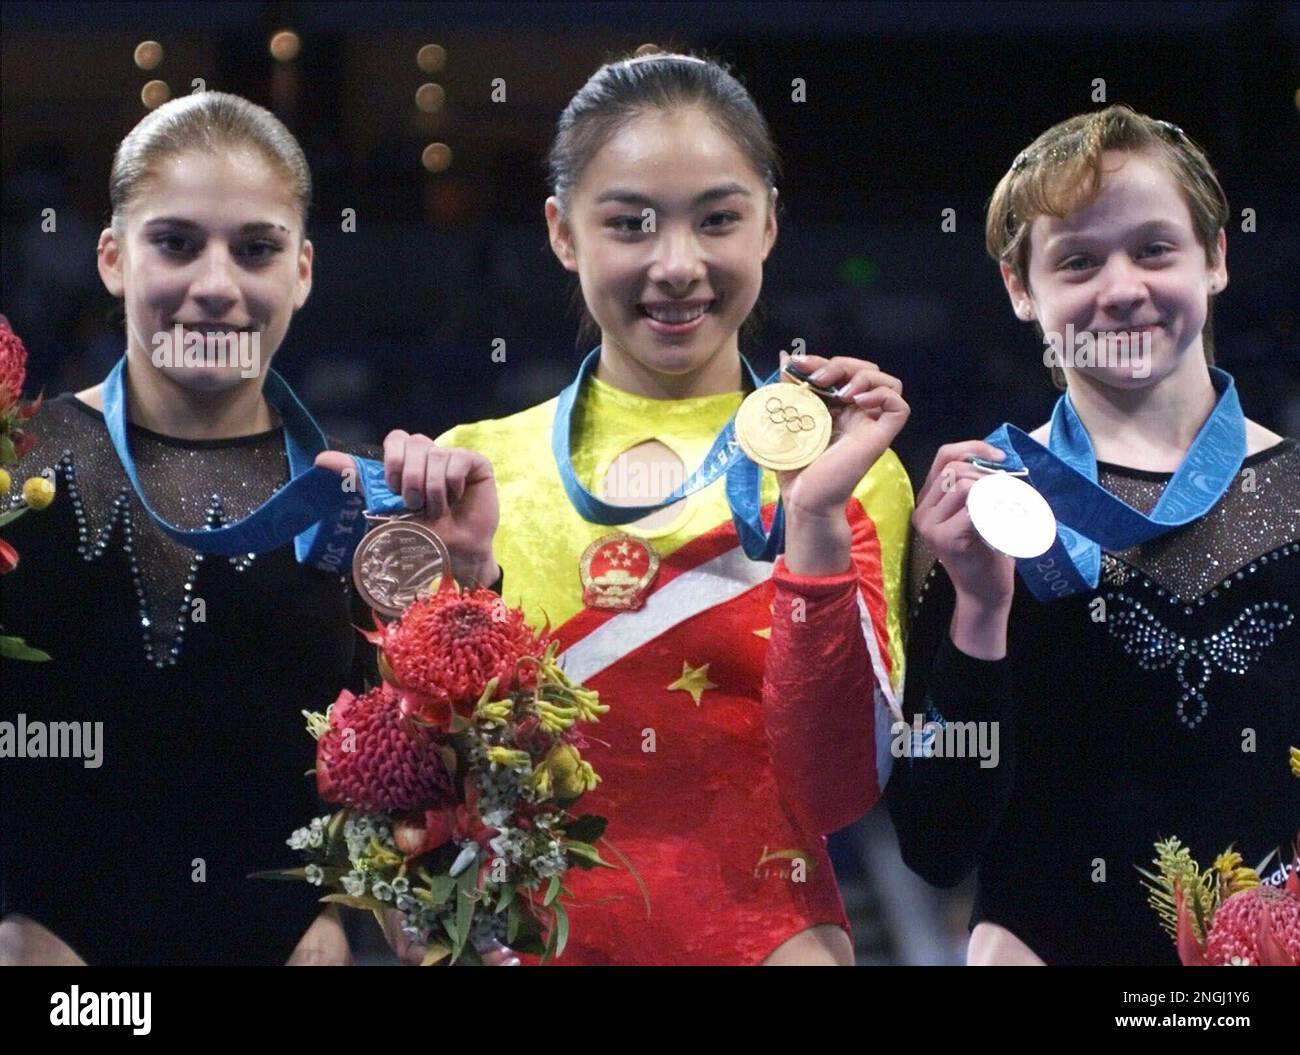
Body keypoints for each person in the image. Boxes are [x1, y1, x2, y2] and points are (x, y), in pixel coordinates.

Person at [416, 51, 913, 966]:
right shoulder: (477, 465)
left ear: (768, 222)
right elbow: (423, 792)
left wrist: (811, 523)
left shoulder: (850, 468)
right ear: (564, 233)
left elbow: (838, 787)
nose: (677, 265)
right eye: (631, 224)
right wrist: (461, 583)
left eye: (717, 219)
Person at [787, 104, 1298, 964]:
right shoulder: (986, 511)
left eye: (1155, 249)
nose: (1122, 286)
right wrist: (981, 616)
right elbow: (936, 843)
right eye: (1078, 261)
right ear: (1022, 289)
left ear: (1215, 258)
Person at [0, 91, 499, 965]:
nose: (217, 285)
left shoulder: (364, 508)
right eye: (177, 242)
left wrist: (469, 586)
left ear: (301, 271)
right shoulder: (16, 477)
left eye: (256, 248)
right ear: (113, 257)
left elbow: (433, 833)